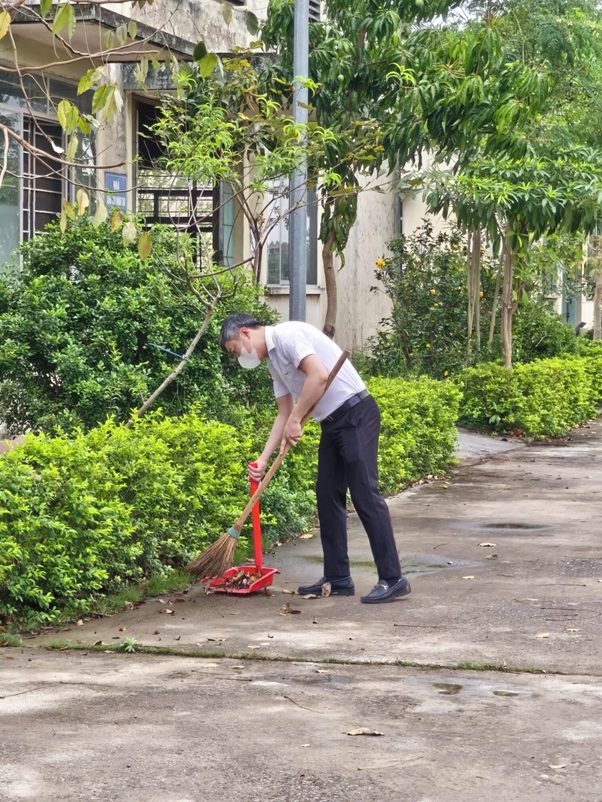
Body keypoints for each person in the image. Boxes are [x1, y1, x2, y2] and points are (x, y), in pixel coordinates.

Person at [219, 313, 411, 604]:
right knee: (327, 495)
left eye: (235, 350)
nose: (240, 357)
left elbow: (319, 375)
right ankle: (338, 578)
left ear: (245, 333)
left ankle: (393, 578)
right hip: (331, 423)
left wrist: (297, 418)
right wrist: (263, 459)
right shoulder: (273, 363)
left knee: (365, 494)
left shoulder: (288, 335)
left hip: (356, 414)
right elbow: (284, 412)